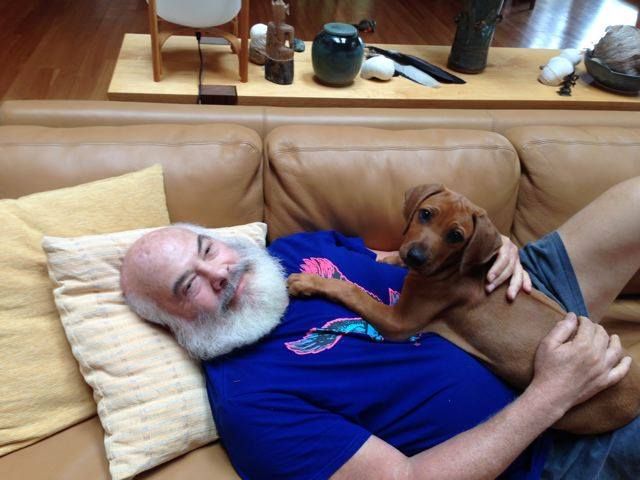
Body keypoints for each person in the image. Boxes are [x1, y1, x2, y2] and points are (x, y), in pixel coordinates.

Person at [120, 178, 640, 480]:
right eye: (189, 285)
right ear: (173, 323)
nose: (219, 273)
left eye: (207, 249)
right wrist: (551, 394)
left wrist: (491, 247)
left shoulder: (290, 252)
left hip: (506, 294)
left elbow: (396, 255)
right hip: (548, 432)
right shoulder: (251, 403)